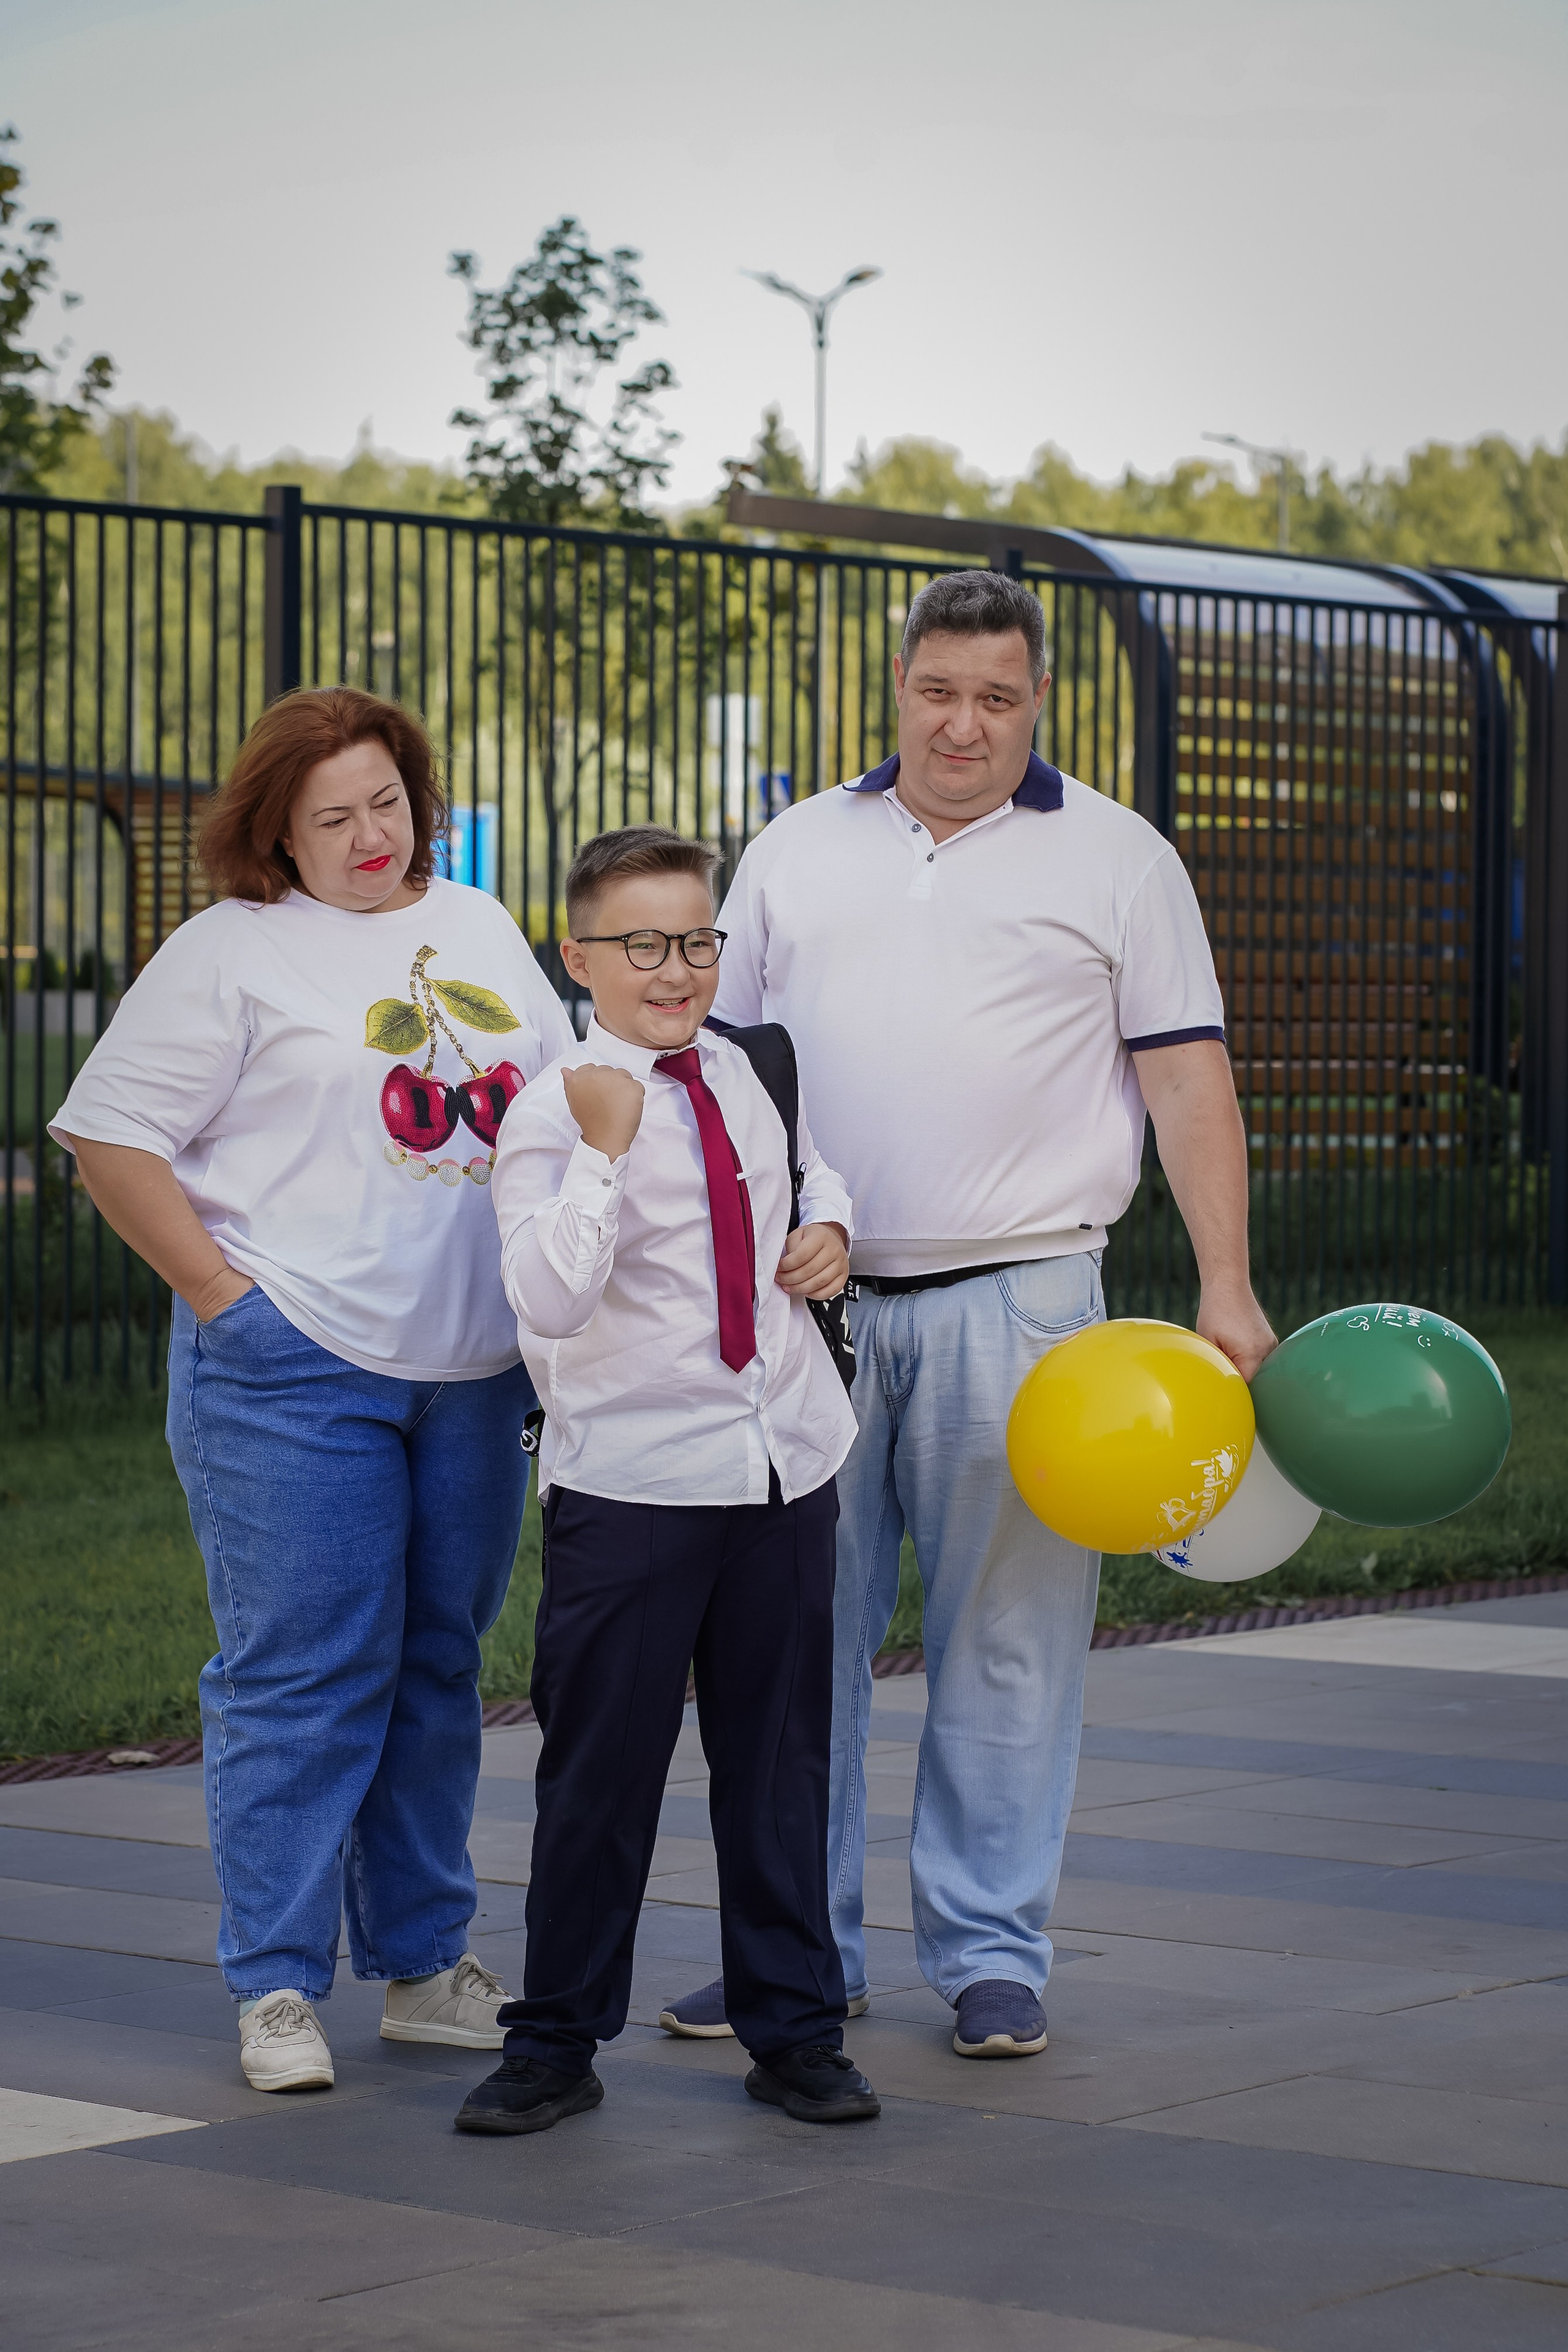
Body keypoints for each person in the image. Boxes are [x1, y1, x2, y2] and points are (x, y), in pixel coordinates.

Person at [661, 570, 1276, 2059]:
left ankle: (992, 1952)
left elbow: (1184, 1078)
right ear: (898, 688)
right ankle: (794, 1955)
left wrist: (1224, 1283)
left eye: (996, 698)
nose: (963, 724)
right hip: (815, 1305)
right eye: (938, 692)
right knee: (791, 1639)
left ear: (1037, 701)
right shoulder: (796, 850)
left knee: (1005, 1643)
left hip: (1029, 1302)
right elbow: (713, 1064)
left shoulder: (1120, 860)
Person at [50, 686, 575, 2092]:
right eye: (330, 816)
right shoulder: (230, 952)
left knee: (437, 1671)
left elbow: (557, 1104)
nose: (366, 836)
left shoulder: (475, 928)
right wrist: (231, 1306)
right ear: (276, 831)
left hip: (472, 1375)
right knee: (301, 1676)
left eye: (385, 804)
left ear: (419, 796)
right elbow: (109, 1139)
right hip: (296, 1372)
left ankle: (421, 1964)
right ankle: (275, 1989)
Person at [454, 824, 880, 2136]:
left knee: (778, 1764)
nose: (675, 966)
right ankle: (554, 2042)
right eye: (641, 944)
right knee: (601, 1774)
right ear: (578, 957)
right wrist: (600, 1151)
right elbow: (545, 1297)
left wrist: (828, 1231)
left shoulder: (744, 1068)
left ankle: (794, 2031)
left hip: (779, 1470)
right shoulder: (552, 1108)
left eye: (694, 938)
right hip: (633, 1487)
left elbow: (806, 1171)